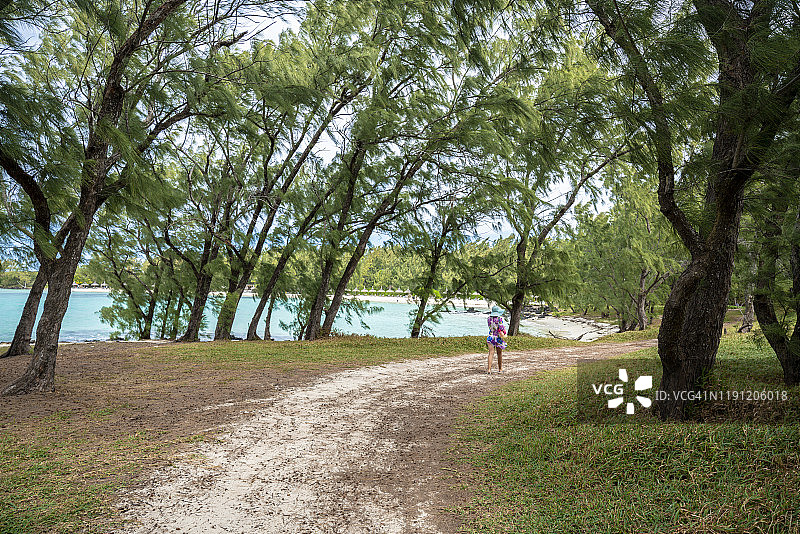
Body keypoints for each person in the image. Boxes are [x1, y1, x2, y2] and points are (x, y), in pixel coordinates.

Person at [486, 306, 507, 373]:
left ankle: (489, 369)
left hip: (490, 336)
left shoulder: (489, 318)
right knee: (499, 353)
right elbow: (501, 328)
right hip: (498, 337)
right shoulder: (499, 319)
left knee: (491, 353)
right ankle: (500, 369)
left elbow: (490, 326)